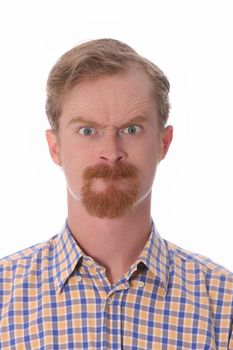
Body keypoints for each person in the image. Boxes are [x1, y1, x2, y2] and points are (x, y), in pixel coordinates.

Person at [0, 38, 232, 350]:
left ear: (164, 143)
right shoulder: (4, 295)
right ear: (55, 147)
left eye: (131, 130)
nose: (111, 153)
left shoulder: (224, 305)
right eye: (87, 131)